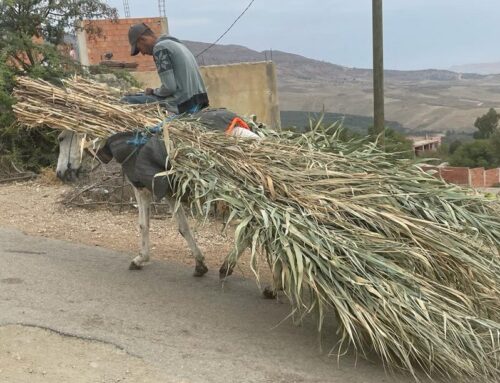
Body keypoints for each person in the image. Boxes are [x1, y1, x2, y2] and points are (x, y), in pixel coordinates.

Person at [123, 23, 209, 114]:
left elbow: (169, 88)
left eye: (139, 48)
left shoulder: (160, 49)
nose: (143, 53)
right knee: (140, 95)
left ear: (142, 39)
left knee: (126, 100)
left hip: (183, 102)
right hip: (198, 99)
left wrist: (154, 91)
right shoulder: (175, 43)